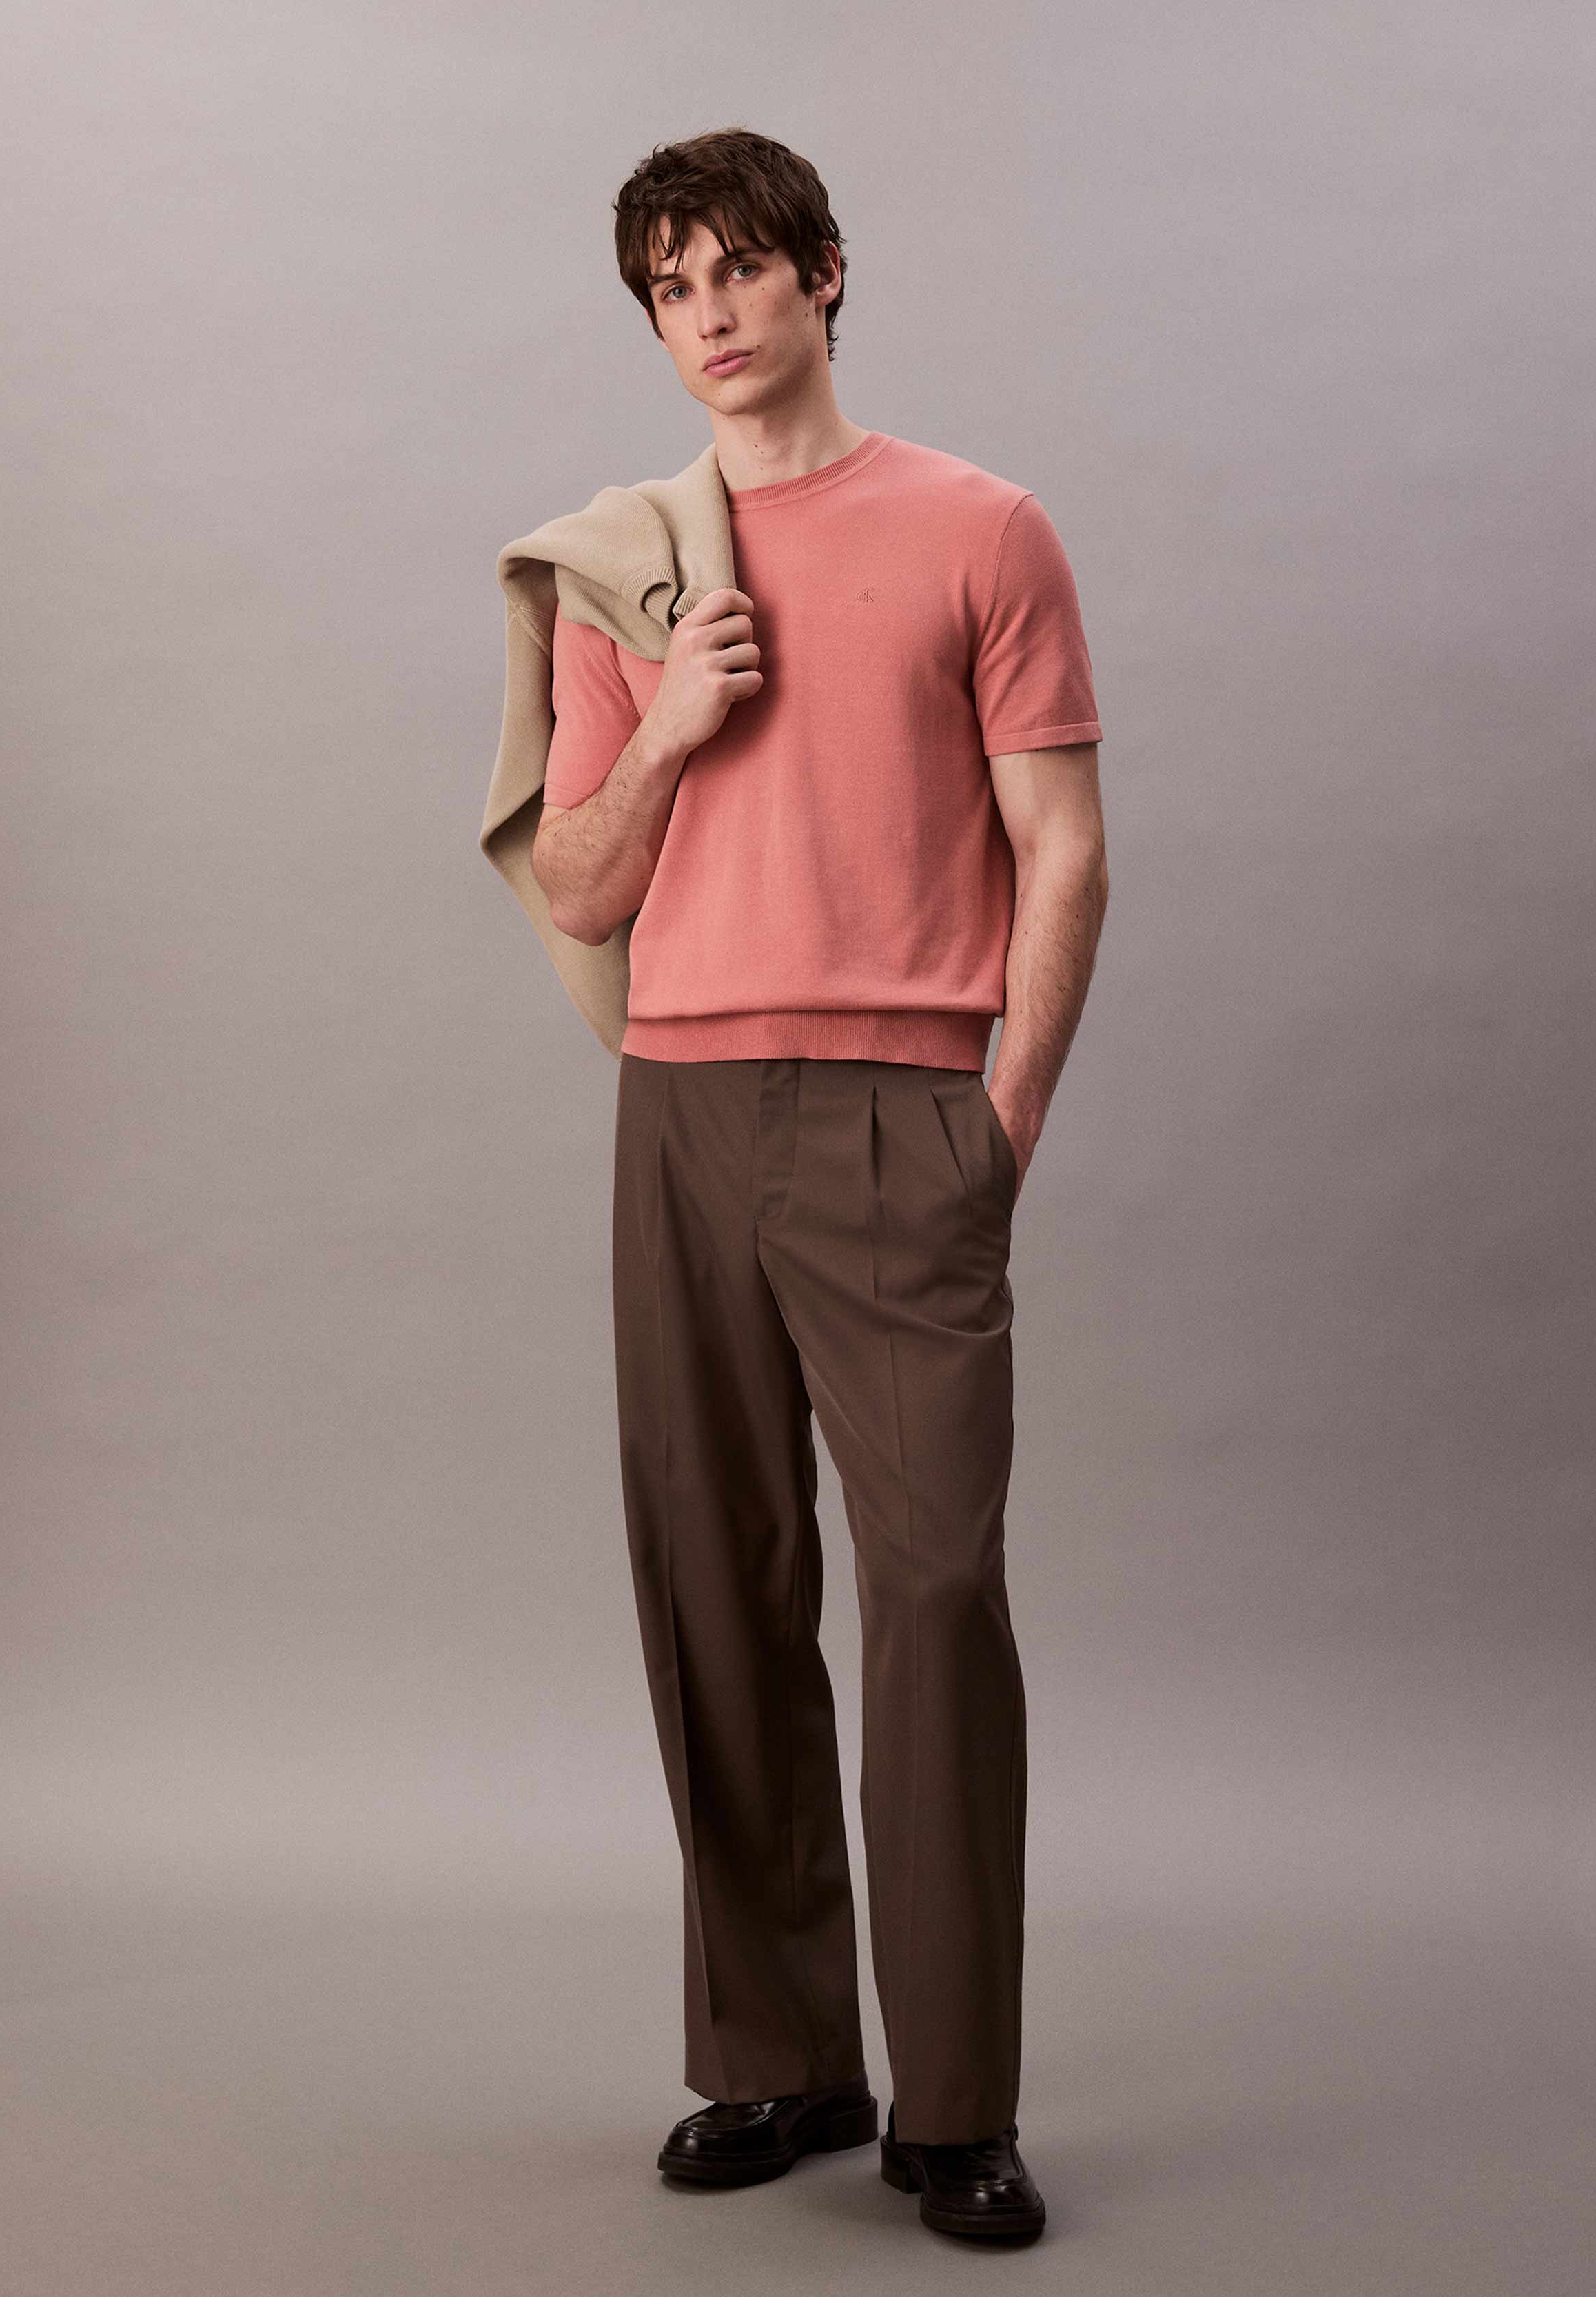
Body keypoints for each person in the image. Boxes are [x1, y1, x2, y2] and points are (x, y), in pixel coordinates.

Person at [529, 125, 1108, 2247]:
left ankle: (953, 2104)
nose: (707, 314)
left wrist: (998, 1124)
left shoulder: (981, 528)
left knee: (935, 1590)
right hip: (679, 1110)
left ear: (824, 276)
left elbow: (1062, 848)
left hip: (901, 1109)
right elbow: (574, 882)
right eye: (669, 286)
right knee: (717, 1587)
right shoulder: (627, 569)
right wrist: (669, 722)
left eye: (739, 271)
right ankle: (780, 2061)